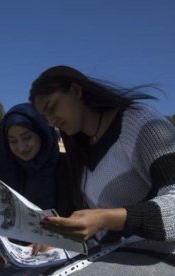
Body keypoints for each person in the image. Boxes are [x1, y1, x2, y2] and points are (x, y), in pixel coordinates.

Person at [29, 65, 175, 274]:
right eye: (45, 117)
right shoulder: (80, 154)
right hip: (111, 256)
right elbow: (102, 235)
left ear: (76, 91)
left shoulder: (139, 122)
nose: (52, 122)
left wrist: (106, 218)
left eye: (52, 108)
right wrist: (64, 242)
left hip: (163, 256)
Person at [0, 103, 73, 275]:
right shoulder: (10, 173)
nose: (21, 147)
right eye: (13, 141)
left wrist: (53, 239)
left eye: (27, 137)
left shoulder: (66, 167)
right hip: (19, 253)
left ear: (41, 133)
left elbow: (77, 218)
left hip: (59, 249)